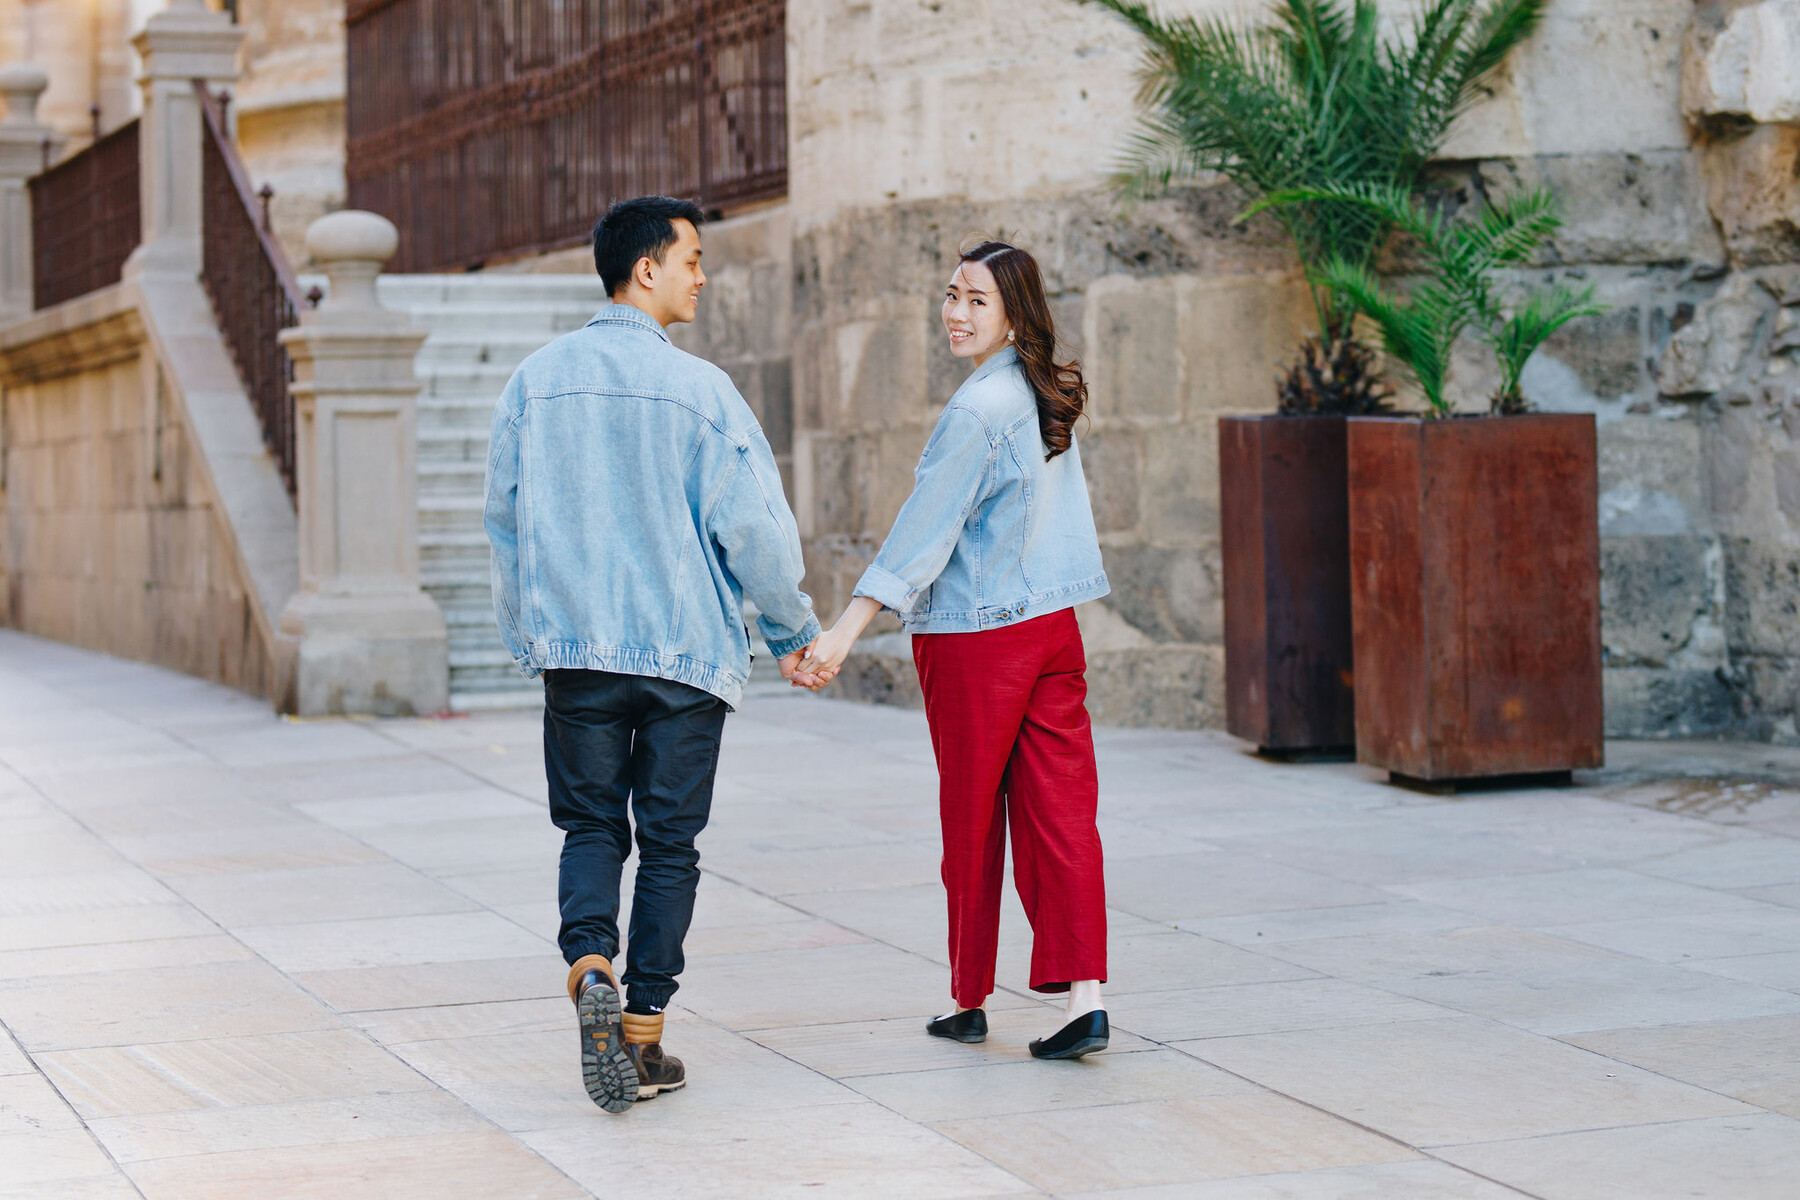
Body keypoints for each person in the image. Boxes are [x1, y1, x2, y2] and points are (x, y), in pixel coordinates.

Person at [484, 196, 824, 1113]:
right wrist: (793, 632)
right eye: (691, 260)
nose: (702, 277)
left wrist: (531, 634)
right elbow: (753, 524)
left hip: (581, 655)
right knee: (671, 847)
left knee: (592, 828)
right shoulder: (704, 391)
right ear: (646, 270)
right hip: (683, 658)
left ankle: (589, 965)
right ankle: (642, 1037)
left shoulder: (536, 381)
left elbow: (506, 519)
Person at [797, 240, 1112, 1060]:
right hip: (1053, 627)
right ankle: (1085, 998)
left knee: (972, 821)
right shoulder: (1039, 394)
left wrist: (843, 630)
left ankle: (968, 997)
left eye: (976, 300)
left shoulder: (978, 410)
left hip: (979, 638)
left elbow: (921, 537)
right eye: (950, 295)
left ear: (1013, 315)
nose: (955, 313)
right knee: (1063, 813)